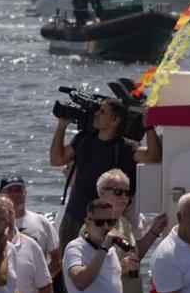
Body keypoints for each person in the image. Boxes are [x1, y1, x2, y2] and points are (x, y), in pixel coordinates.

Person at [48, 97, 140, 249]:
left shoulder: (124, 146)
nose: (96, 114)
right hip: (74, 216)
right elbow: (56, 159)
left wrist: (149, 127)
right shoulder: (84, 139)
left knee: (100, 265)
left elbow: (152, 156)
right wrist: (62, 125)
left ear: (115, 120)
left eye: (102, 112)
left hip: (102, 223)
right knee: (69, 265)